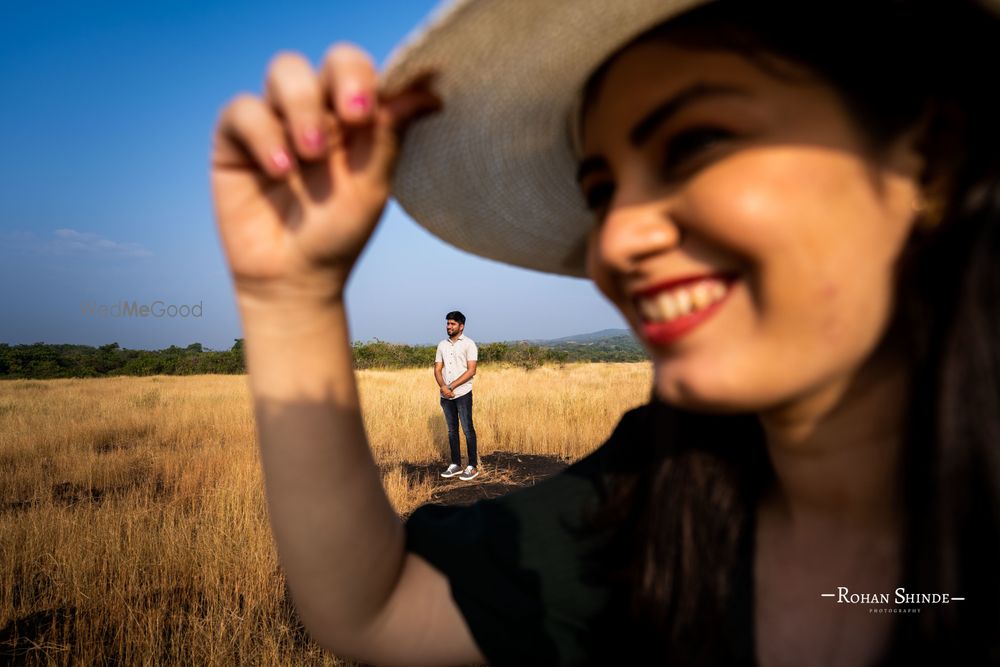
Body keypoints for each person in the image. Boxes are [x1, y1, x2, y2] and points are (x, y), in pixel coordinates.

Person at [209, 0, 1000, 665]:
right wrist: (292, 296)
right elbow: (374, 611)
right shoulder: (650, 495)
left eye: (694, 144)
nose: (615, 241)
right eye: (601, 190)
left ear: (932, 156)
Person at [435, 310, 479, 480]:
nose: (449, 326)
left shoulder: (469, 344)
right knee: (452, 430)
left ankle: (472, 466)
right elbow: (437, 369)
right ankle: (455, 465)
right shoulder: (442, 345)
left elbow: (471, 370)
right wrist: (443, 387)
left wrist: (451, 386)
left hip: (463, 393)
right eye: (447, 323)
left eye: (452, 324)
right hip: (446, 395)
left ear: (461, 326)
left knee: (467, 429)